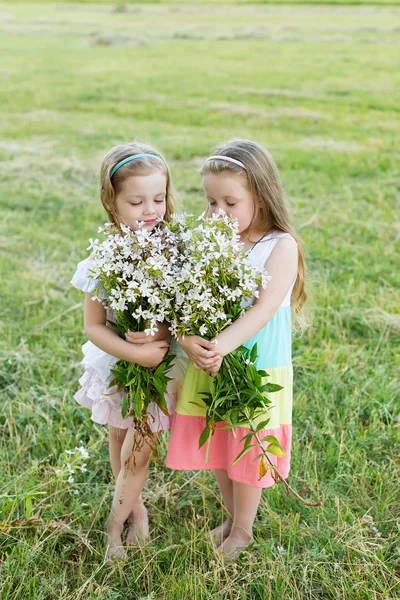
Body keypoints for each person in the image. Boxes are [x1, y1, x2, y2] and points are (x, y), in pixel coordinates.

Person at [166, 139, 307, 557]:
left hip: (257, 363)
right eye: (211, 202)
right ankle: (229, 517)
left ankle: (243, 529)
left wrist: (219, 346)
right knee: (222, 442)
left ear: (261, 197)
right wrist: (188, 339)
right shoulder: (212, 239)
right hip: (211, 361)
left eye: (230, 202)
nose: (218, 213)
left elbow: (263, 310)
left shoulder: (280, 246)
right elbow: (183, 298)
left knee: (250, 444)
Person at [71, 141, 187, 560]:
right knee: (118, 437)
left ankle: (114, 527)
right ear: (111, 200)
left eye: (159, 198)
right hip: (122, 363)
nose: (150, 210)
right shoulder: (104, 258)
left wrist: (159, 333)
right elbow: (93, 326)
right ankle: (135, 508)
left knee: (139, 450)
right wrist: (132, 352)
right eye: (137, 201)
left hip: (159, 369)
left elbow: (186, 314)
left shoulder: (177, 251)